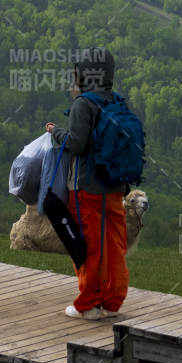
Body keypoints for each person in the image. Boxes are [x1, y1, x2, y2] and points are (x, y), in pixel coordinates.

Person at [45, 47, 129, 320]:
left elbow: (76, 143)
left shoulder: (83, 103)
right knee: (115, 245)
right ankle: (112, 301)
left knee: (90, 246)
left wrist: (56, 132)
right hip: (114, 187)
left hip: (88, 187)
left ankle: (88, 304)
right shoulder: (117, 100)